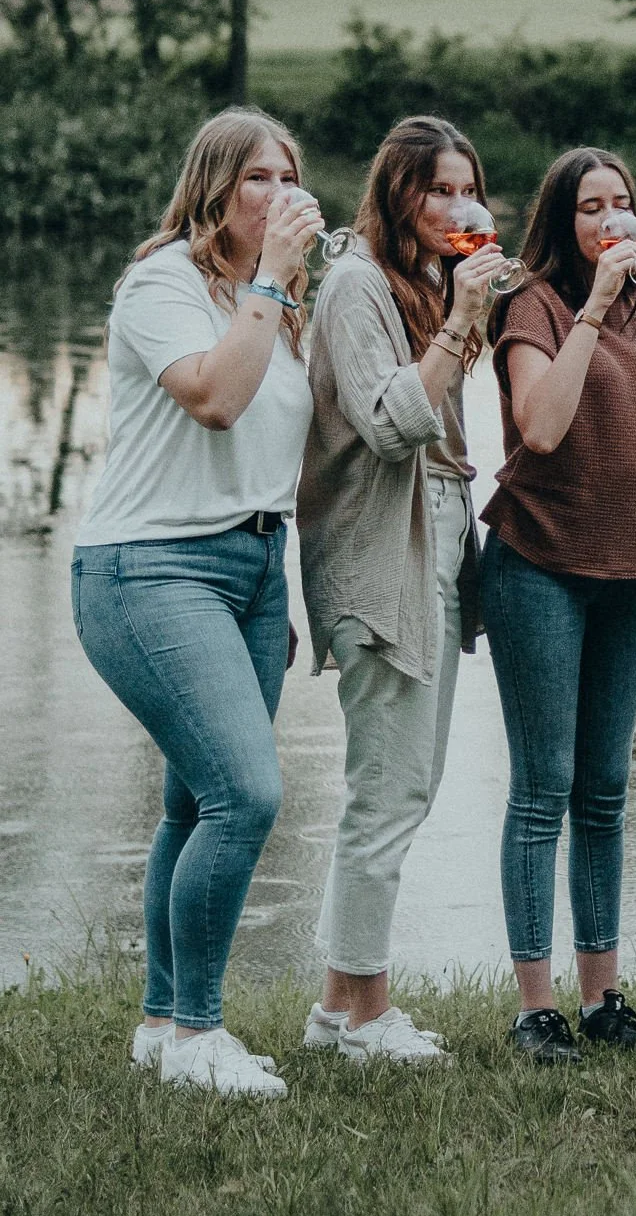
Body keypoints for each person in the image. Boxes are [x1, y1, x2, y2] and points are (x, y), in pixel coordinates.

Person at [73, 108, 321, 1099]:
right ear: (214, 188)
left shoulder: (276, 301)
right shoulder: (162, 283)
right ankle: (198, 1034)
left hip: (253, 568)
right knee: (245, 795)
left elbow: (270, 453)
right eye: (258, 177)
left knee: (192, 801)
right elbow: (215, 399)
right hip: (148, 568)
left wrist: (277, 585)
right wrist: (272, 282)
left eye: (290, 177)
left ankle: (160, 1022)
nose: (280, 195)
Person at [296, 117, 508, 1065]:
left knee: (403, 786)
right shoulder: (355, 284)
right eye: (438, 190)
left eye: (469, 190)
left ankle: (336, 1010)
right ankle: (367, 1016)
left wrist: (462, 308)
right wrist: (463, 317)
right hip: (381, 554)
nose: (460, 208)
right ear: (396, 191)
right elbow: (390, 428)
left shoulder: (417, 282)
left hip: (437, 547)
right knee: (386, 790)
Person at [481, 148, 636, 1065]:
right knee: (543, 789)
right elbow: (543, 426)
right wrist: (593, 308)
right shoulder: (533, 304)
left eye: (623, 203)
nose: (611, 221)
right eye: (591, 206)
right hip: (539, 561)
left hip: (627, 573)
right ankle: (537, 1009)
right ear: (562, 219)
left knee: (605, 790)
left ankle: (604, 999)